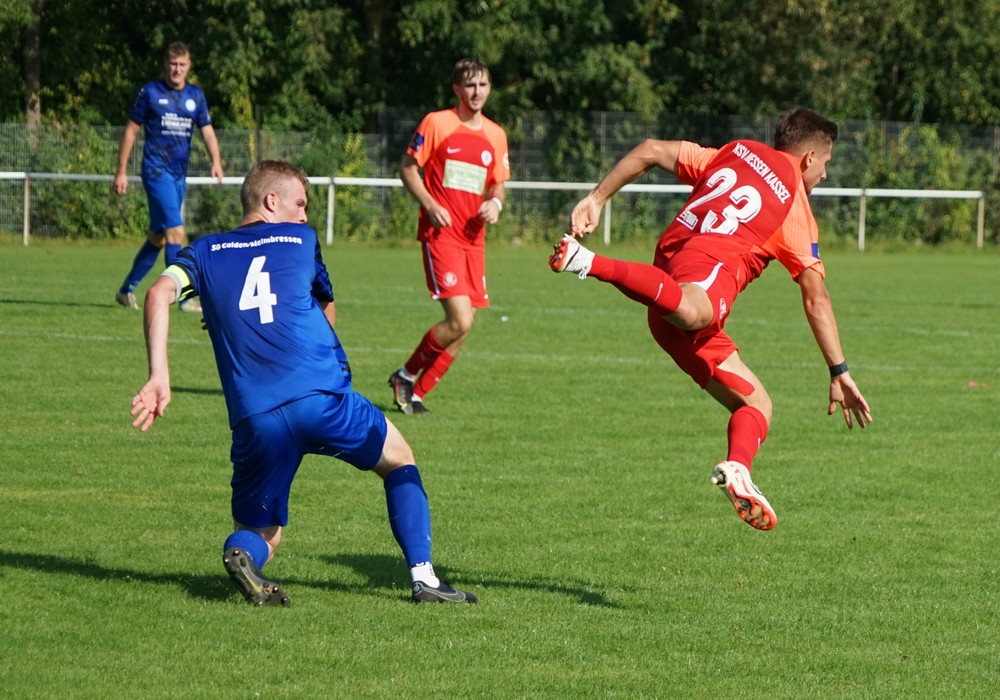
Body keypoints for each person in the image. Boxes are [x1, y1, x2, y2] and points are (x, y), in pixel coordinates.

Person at [129, 159, 476, 606]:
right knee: (399, 460)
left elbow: (158, 293)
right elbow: (322, 304)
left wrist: (160, 375)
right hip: (321, 399)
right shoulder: (301, 239)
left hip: (256, 417)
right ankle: (424, 578)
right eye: (300, 204)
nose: (305, 215)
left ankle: (242, 554)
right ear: (271, 201)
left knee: (262, 533)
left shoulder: (204, 251)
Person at [548, 108, 872, 531]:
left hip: (664, 294)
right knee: (694, 310)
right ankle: (587, 262)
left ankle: (738, 469)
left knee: (758, 404)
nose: (825, 174)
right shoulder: (794, 204)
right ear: (810, 158)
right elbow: (816, 298)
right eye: (826, 163)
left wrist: (596, 198)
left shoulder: (735, 151)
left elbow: (650, 150)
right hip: (696, 284)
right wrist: (839, 370)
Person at [387, 57, 510, 414]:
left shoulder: (496, 135)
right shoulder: (437, 123)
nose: (477, 92)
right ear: (457, 89)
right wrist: (429, 204)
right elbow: (408, 169)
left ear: (489, 88)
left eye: (483, 84)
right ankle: (405, 375)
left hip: (474, 240)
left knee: (463, 327)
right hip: (441, 235)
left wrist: (495, 204)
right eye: (470, 85)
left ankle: (417, 394)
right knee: (460, 319)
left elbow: (498, 186)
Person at [113, 41, 224, 313]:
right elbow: (131, 131)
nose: (177, 69)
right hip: (155, 171)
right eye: (173, 64)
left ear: (189, 66)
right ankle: (183, 298)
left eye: (182, 64)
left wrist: (216, 161)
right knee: (176, 231)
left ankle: (126, 290)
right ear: (166, 64)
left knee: (159, 237)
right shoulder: (150, 93)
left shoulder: (196, 96)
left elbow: (207, 131)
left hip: (178, 175)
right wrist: (121, 171)